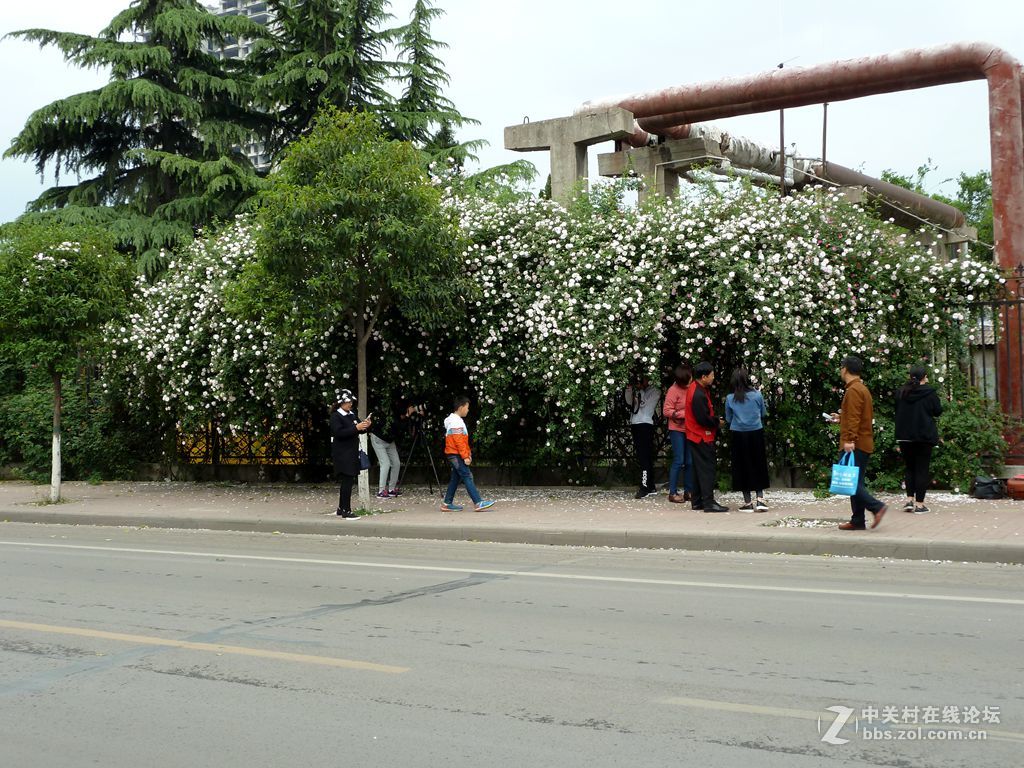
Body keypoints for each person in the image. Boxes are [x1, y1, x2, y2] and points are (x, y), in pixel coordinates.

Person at [827, 356, 887, 530]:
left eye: (841, 367)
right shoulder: (861, 388)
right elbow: (856, 416)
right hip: (863, 442)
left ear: (845, 369)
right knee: (855, 482)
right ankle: (857, 520)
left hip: (856, 443)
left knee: (852, 483)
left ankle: (877, 507)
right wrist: (840, 418)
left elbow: (854, 418)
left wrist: (849, 440)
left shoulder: (853, 391)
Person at [895, 364, 943, 514]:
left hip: (904, 436)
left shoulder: (902, 392)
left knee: (910, 468)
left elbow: (896, 409)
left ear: (910, 376)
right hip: (924, 436)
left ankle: (909, 500)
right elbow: (938, 411)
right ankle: (920, 504)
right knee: (922, 469)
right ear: (924, 377)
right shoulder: (930, 393)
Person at [725, 367, 770, 512]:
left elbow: (728, 418)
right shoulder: (757, 396)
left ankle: (747, 502)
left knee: (742, 467)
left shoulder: (730, 398)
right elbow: (763, 413)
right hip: (756, 432)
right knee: (758, 464)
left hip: (738, 434)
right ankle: (761, 499)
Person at [686, 362, 729, 513]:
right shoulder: (698, 394)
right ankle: (709, 502)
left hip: (694, 434)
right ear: (703, 377)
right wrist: (717, 422)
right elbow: (702, 418)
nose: (713, 377)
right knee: (707, 469)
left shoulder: (695, 388)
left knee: (698, 470)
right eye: (711, 375)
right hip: (701, 435)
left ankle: (697, 501)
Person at [441, 395, 496, 512]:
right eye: (467, 407)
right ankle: (478, 502)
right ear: (461, 407)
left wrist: (467, 454)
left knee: (455, 478)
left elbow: (460, 441)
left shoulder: (454, 420)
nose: (468, 409)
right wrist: (465, 456)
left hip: (454, 454)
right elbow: (459, 441)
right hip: (456, 454)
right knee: (467, 475)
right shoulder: (456, 421)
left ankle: (446, 504)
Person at [330, 389, 371, 519]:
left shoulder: (352, 414)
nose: (350, 404)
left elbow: (359, 430)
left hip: (352, 452)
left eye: (351, 402)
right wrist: (356, 428)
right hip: (342, 453)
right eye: (348, 402)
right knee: (347, 480)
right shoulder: (336, 416)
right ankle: (346, 510)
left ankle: (341, 508)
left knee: (348, 481)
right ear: (341, 403)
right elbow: (338, 433)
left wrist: (365, 426)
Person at [663, 363, 694, 504]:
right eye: (688, 379)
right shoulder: (673, 390)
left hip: (690, 428)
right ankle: (673, 492)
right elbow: (666, 410)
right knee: (679, 460)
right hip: (677, 429)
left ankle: (688, 491)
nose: (690, 380)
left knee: (689, 461)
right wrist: (683, 414)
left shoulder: (692, 388)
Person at [625, 374, 660, 499]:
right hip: (635, 424)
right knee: (642, 456)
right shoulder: (636, 389)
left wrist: (640, 390)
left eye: (643, 378)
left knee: (645, 457)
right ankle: (651, 486)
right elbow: (630, 402)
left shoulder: (654, 391)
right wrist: (630, 389)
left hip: (645, 424)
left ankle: (644, 487)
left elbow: (644, 404)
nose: (640, 380)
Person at [369, 398, 405, 498]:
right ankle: (381, 491)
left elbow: (402, 430)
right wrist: (406, 416)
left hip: (389, 441)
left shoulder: (398, 417)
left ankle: (391, 489)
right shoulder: (391, 417)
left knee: (396, 463)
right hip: (379, 439)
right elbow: (398, 426)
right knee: (385, 463)